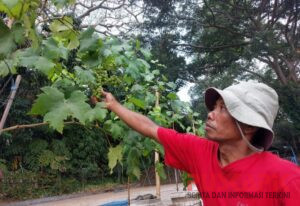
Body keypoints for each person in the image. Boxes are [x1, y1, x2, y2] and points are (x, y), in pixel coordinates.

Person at [99, 82, 300, 205]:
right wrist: (114, 105)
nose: (210, 114)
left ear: (248, 126)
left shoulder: (286, 178)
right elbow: (151, 129)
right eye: (214, 106)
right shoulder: (199, 152)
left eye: (223, 109)